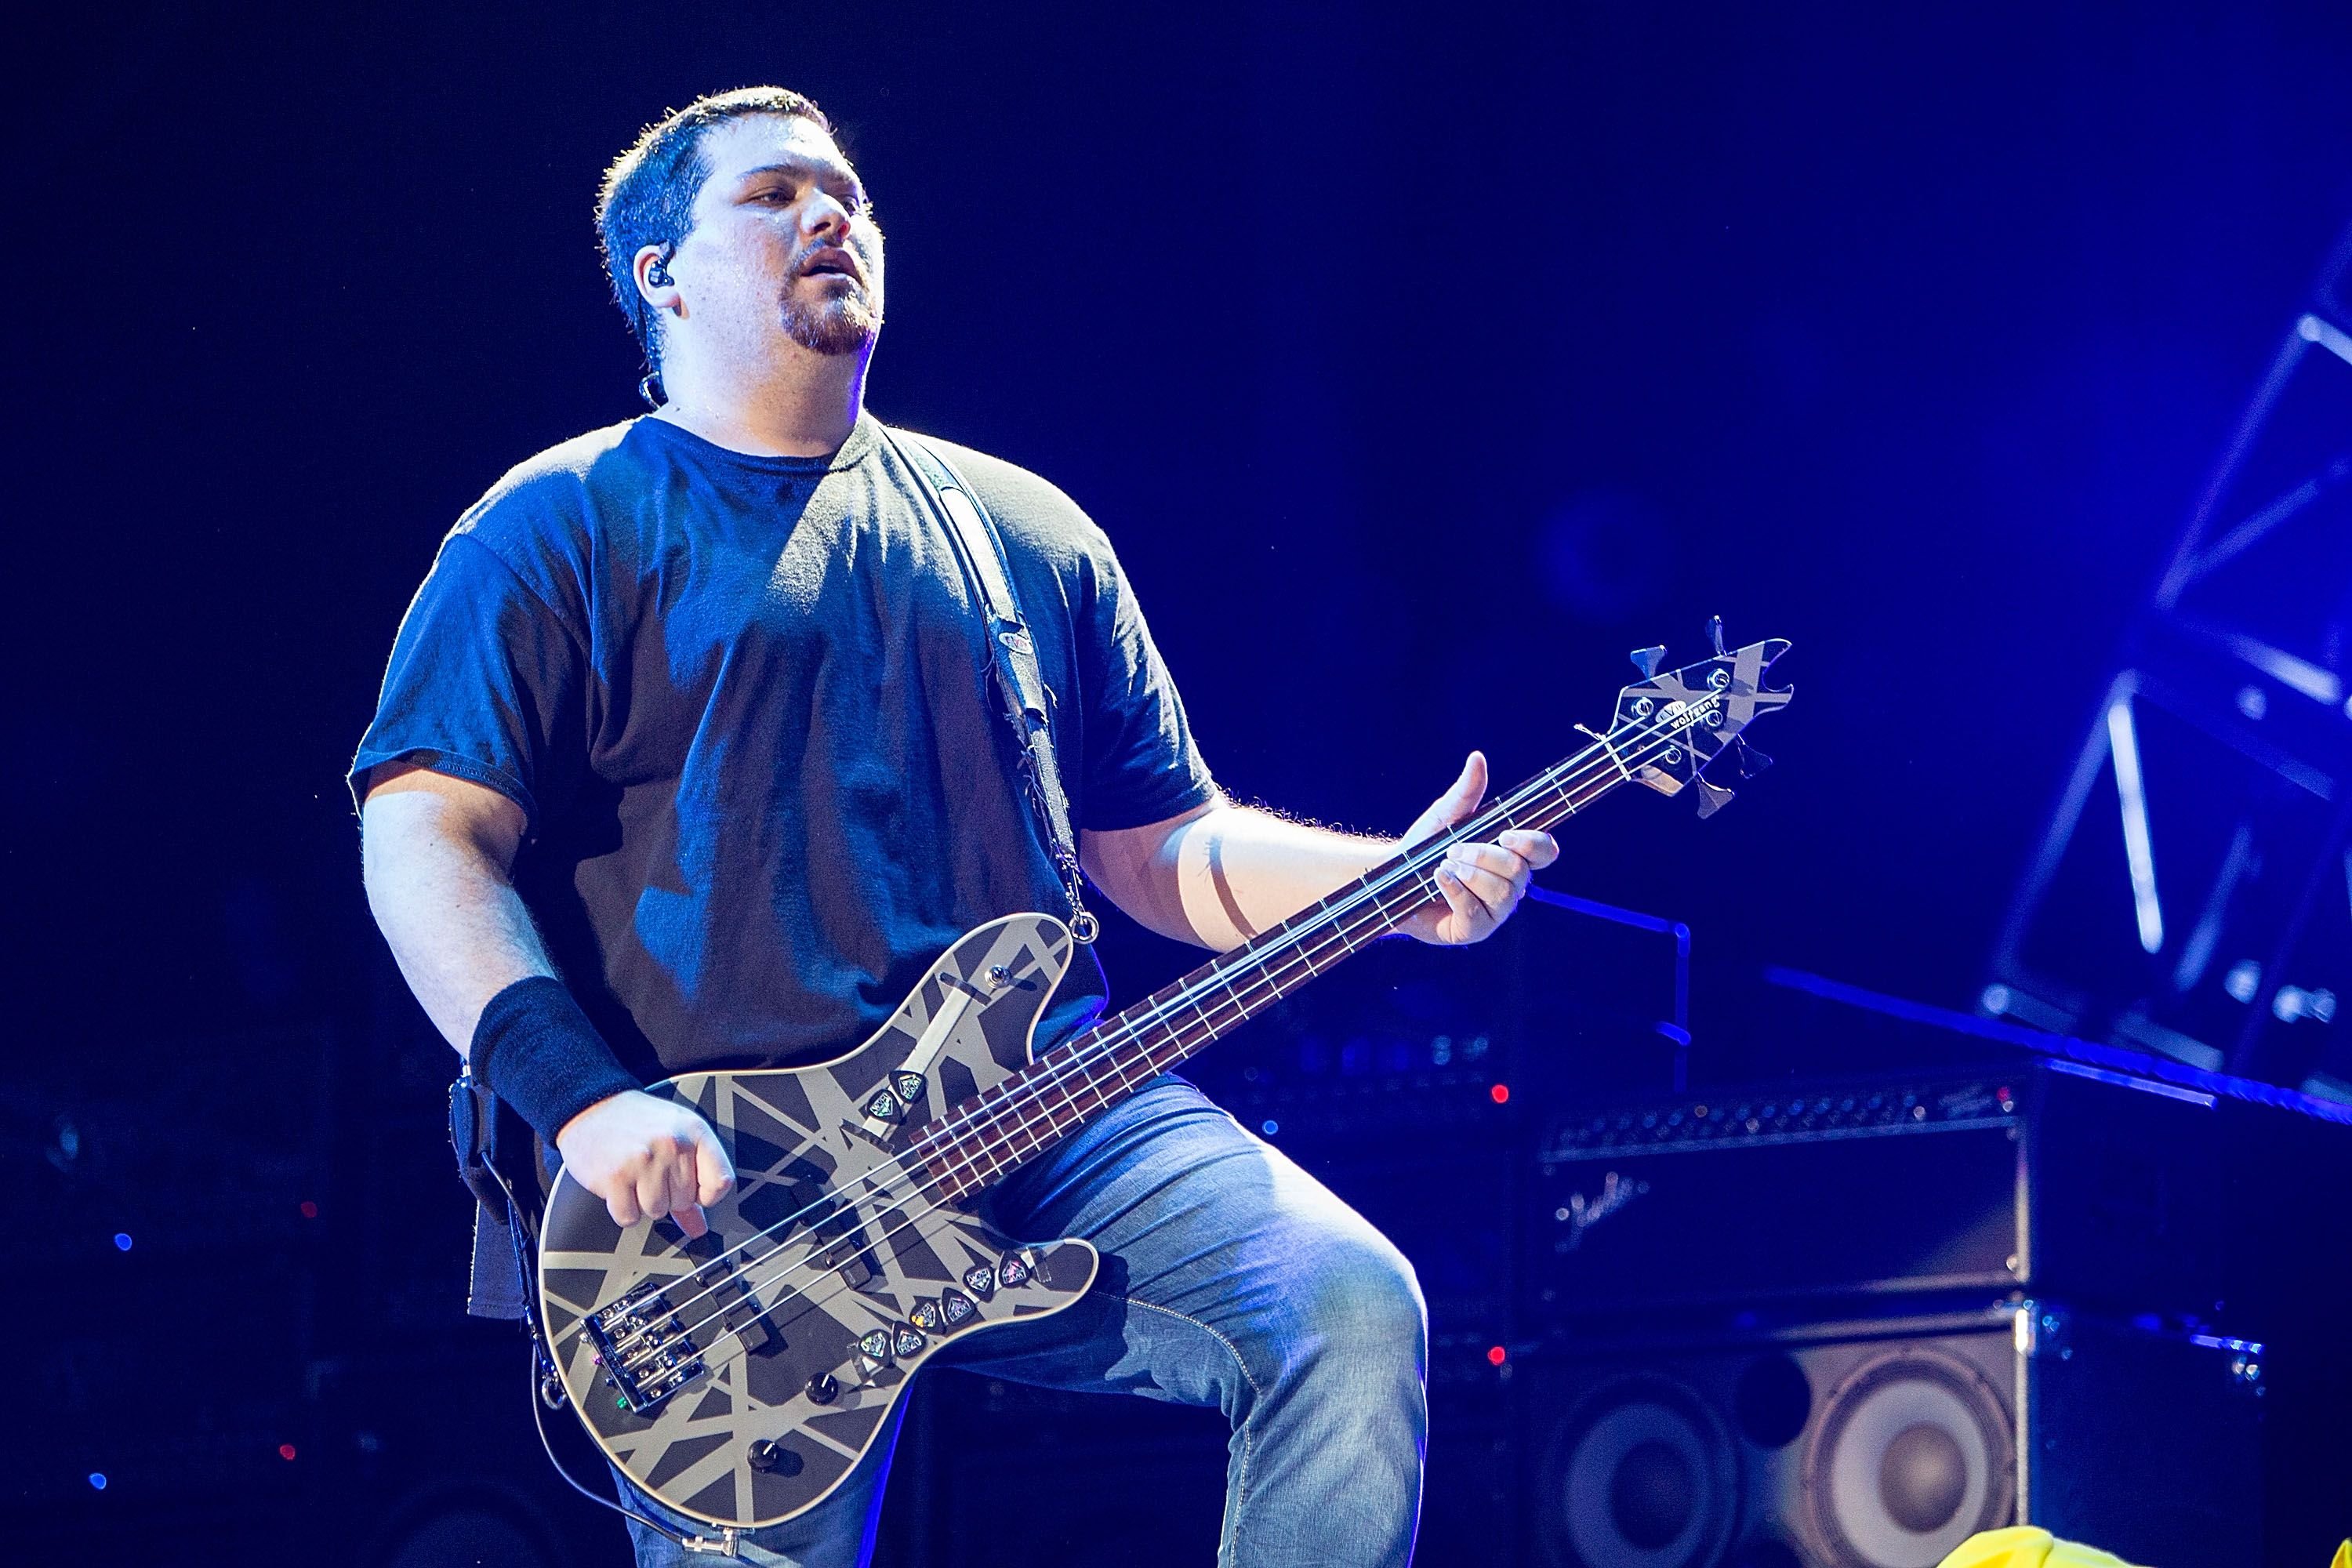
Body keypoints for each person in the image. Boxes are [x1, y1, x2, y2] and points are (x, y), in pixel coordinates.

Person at [353, 86, 1558, 1568]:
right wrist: (582, 1097)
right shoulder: (558, 526)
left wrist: (1385, 882)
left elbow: (1155, 848)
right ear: (661, 274)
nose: (832, 217)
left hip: (1042, 1106)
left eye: (849, 194)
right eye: (776, 195)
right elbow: (423, 836)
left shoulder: (1024, 531)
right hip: (736, 1197)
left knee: (1347, 1309)